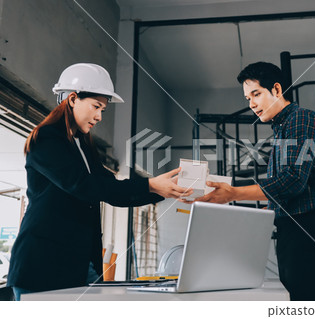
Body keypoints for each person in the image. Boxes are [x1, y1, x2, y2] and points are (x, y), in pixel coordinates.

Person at [7, 63, 193, 300]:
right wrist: (150, 185)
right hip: (42, 266)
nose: (99, 116)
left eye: (103, 110)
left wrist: (165, 190)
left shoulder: (82, 145)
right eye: (96, 106)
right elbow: (83, 186)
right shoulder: (46, 140)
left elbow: (113, 190)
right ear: (73, 99)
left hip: (79, 263)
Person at [191, 62, 315, 301]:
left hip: (307, 231)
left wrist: (233, 194)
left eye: (256, 94)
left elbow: (293, 180)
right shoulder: (283, 128)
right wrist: (271, 207)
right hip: (295, 229)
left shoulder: (301, 120)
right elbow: (293, 187)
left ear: (276, 89)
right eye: (247, 98)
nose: (251, 104)